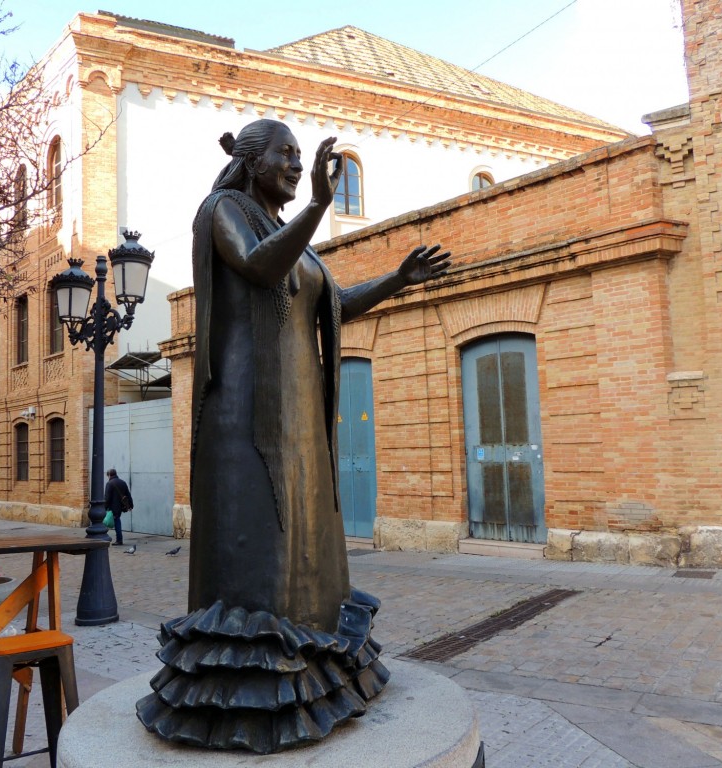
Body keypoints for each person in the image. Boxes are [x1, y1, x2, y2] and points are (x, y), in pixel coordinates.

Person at [136, 119, 451, 753]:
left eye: (299, 158)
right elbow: (256, 268)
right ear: (252, 162)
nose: (294, 164)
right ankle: (244, 695)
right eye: (285, 155)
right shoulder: (224, 209)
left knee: (306, 549)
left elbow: (327, 306)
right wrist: (317, 205)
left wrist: (395, 279)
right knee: (265, 555)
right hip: (246, 414)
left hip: (298, 416)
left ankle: (317, 677)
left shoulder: (293, 238)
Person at [103, 468, 133, 546]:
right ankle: (118, 539)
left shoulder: (109, 484)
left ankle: (118, 540)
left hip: (112, 508)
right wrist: (131, 505)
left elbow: (107, 498)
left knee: (110, 522)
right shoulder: (123, 482)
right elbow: (128, 494)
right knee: (116, 521)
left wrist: (104, 507)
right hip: (120, 507)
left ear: (109, 475)